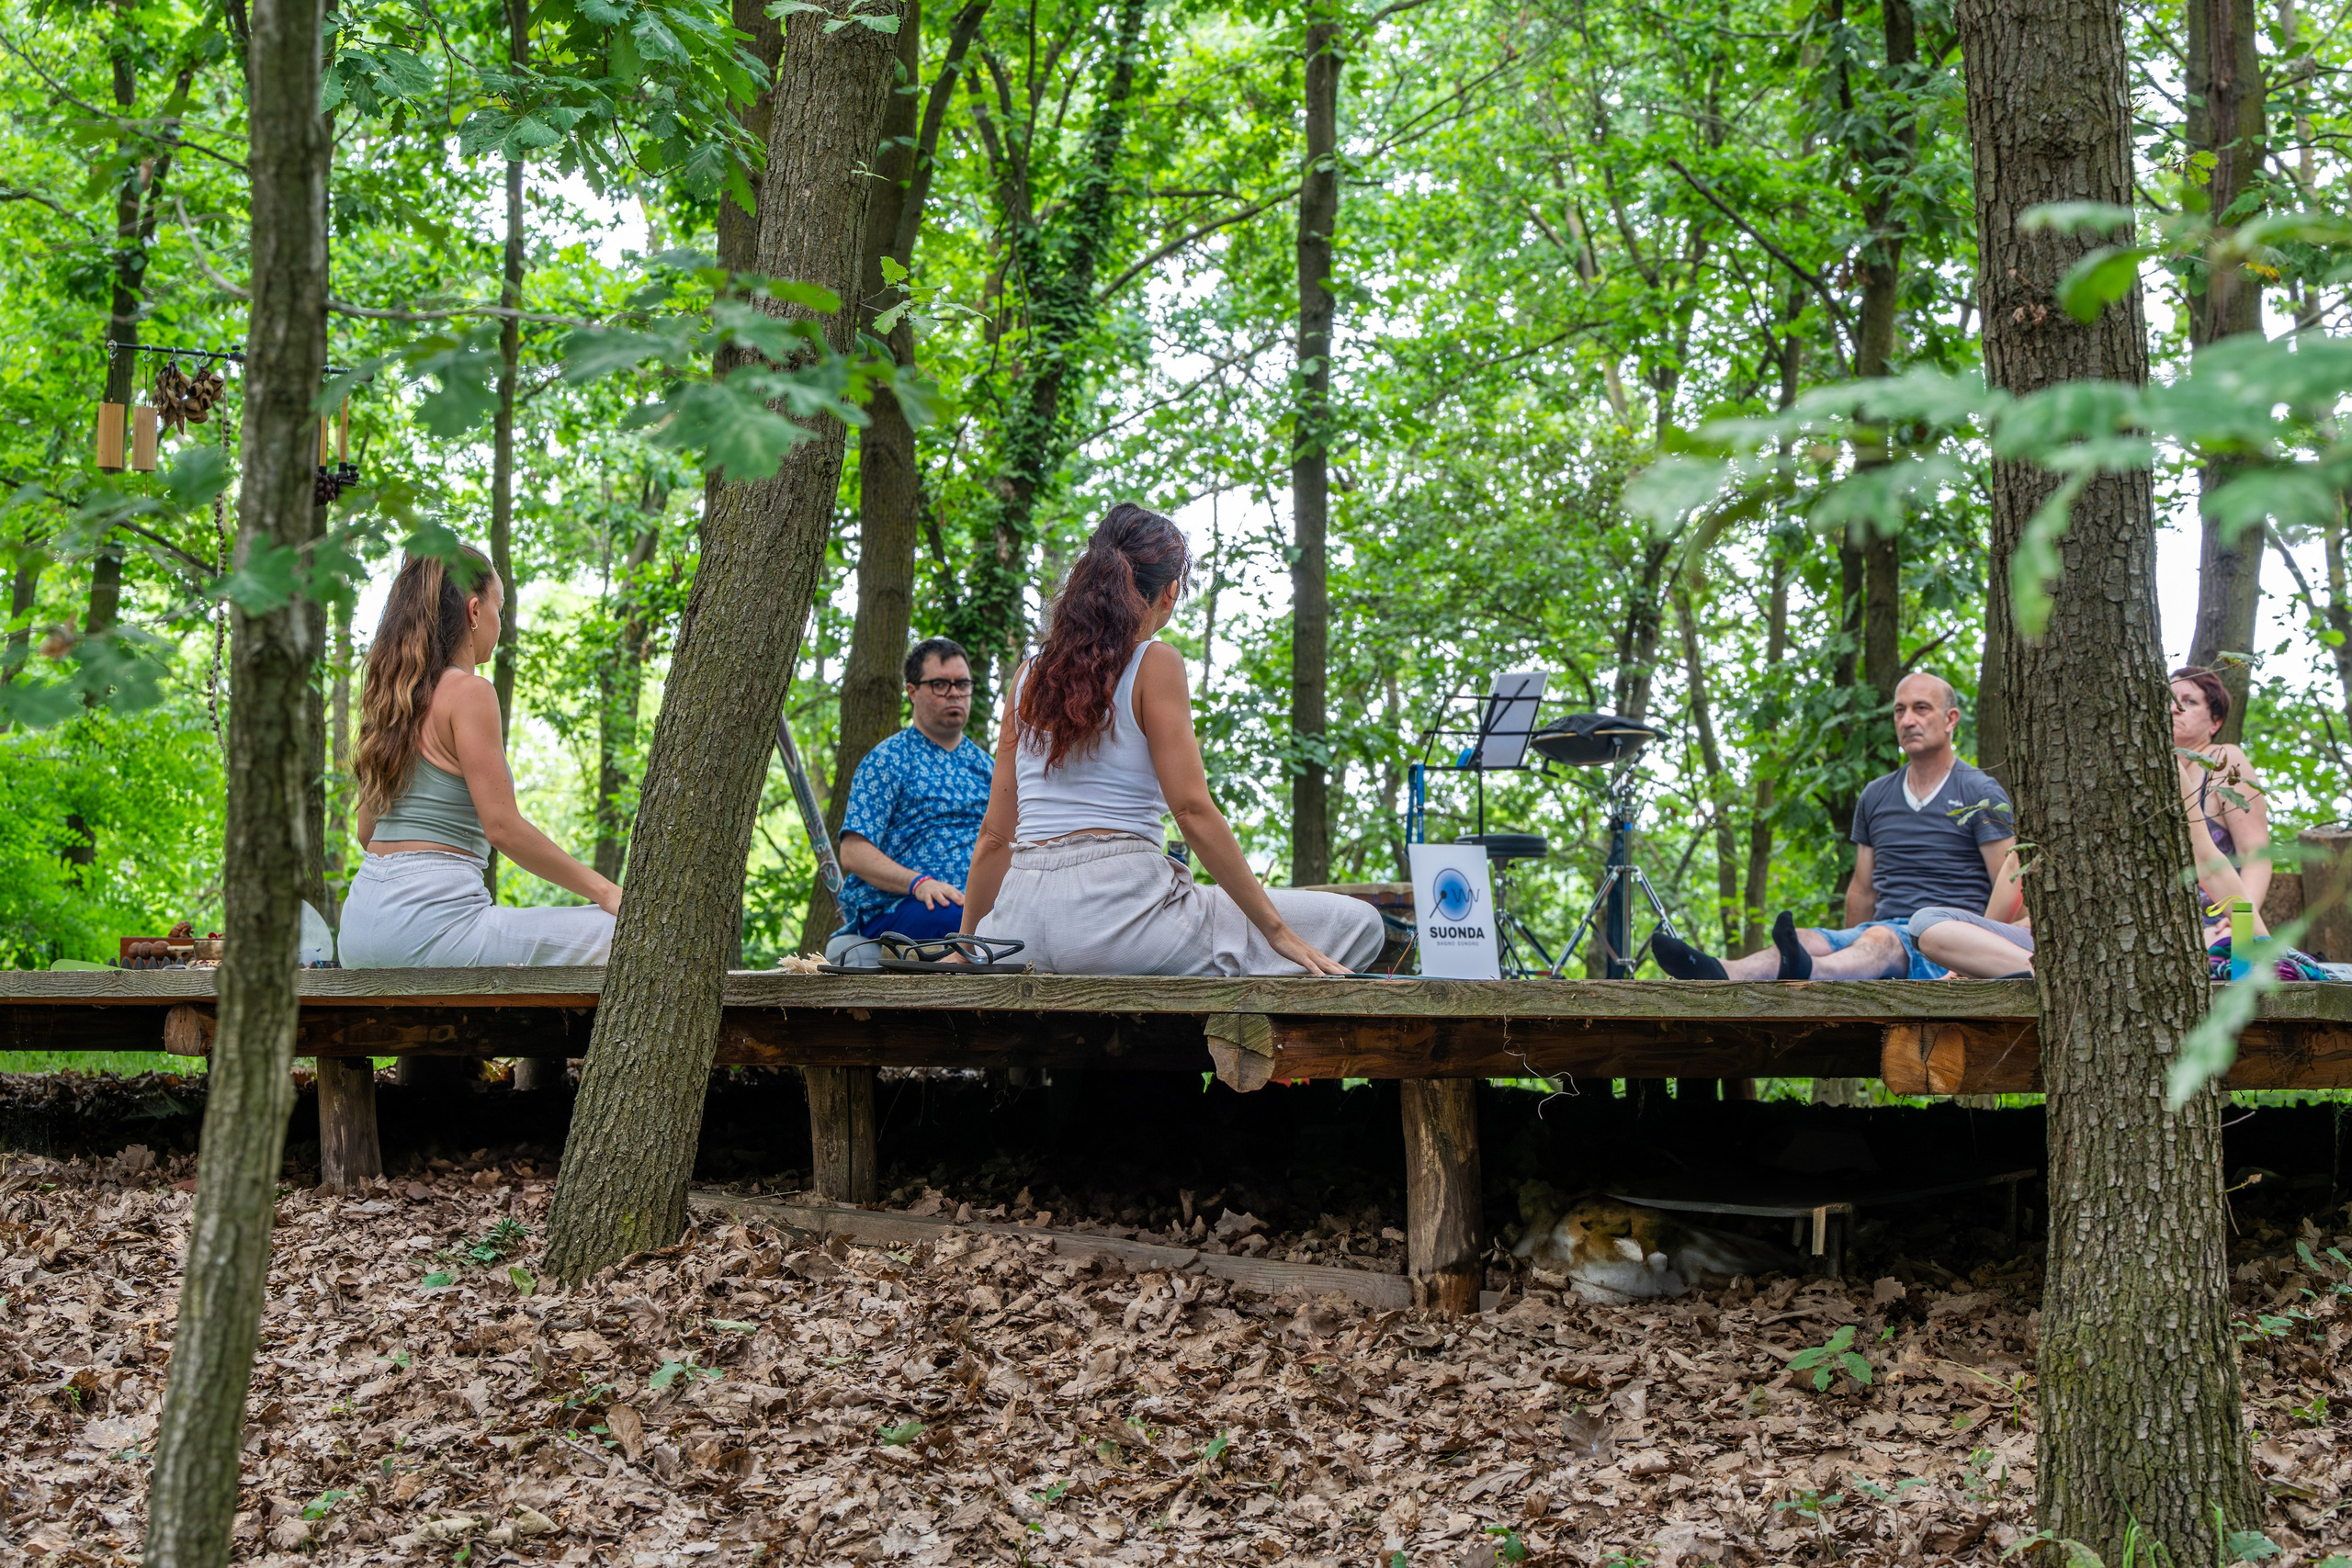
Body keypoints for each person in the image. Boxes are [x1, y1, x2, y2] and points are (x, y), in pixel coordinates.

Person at [960, 502, 1385, 976]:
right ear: (1170, 592)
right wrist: (1278, 933)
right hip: (1118, 922)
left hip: (1018, 927)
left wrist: (967, 943)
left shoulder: (1027, 678)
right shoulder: (1154, 662)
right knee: (1361, 923)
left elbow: (996, 837)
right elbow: (1192, 812)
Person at [340, 548, 620, 967]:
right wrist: (606, 891)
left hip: (358, 931)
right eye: (499, 609)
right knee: (624, 934)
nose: (499, 624)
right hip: (430, 930)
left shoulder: (390, 701)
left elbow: (368, 834)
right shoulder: (470, 692)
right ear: (474, 611)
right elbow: (502, 827)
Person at [1908, 666, 2273, 976]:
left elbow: (2212, 861)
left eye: (2188, 702)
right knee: (1928, 925)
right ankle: (2051, 975)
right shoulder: (2054, 768)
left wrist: (2260, 941)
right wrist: (1983, 945)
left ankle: (2061, 975)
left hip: (2158, 940)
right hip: (2066, 942)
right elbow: (2018, 862)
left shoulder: (2167, 766)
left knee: (2222, 947)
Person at [1652, 671, 2014, 980]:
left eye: (1921, 709)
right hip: (1880, 932)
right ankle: (1721, 971)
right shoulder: (1876, 795)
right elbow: (1862, 890)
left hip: (1942, 942)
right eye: (1899, 711)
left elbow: (2011, 884)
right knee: (1808, 938)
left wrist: (1981, 960)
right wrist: (1848, 940)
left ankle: (1817, 974)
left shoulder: (1978, 790)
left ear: (1951, 719)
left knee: (1880, 940)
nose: (1907, 721)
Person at [831, 637, 995, 949]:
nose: (954, 694)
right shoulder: (887, 760)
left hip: (977, 906)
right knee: (952, 922)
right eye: (939, 685)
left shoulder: (989, 769)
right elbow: (853, 852)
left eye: (962, 684)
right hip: (902, 907)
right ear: (911, 691)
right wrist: (919, 883)